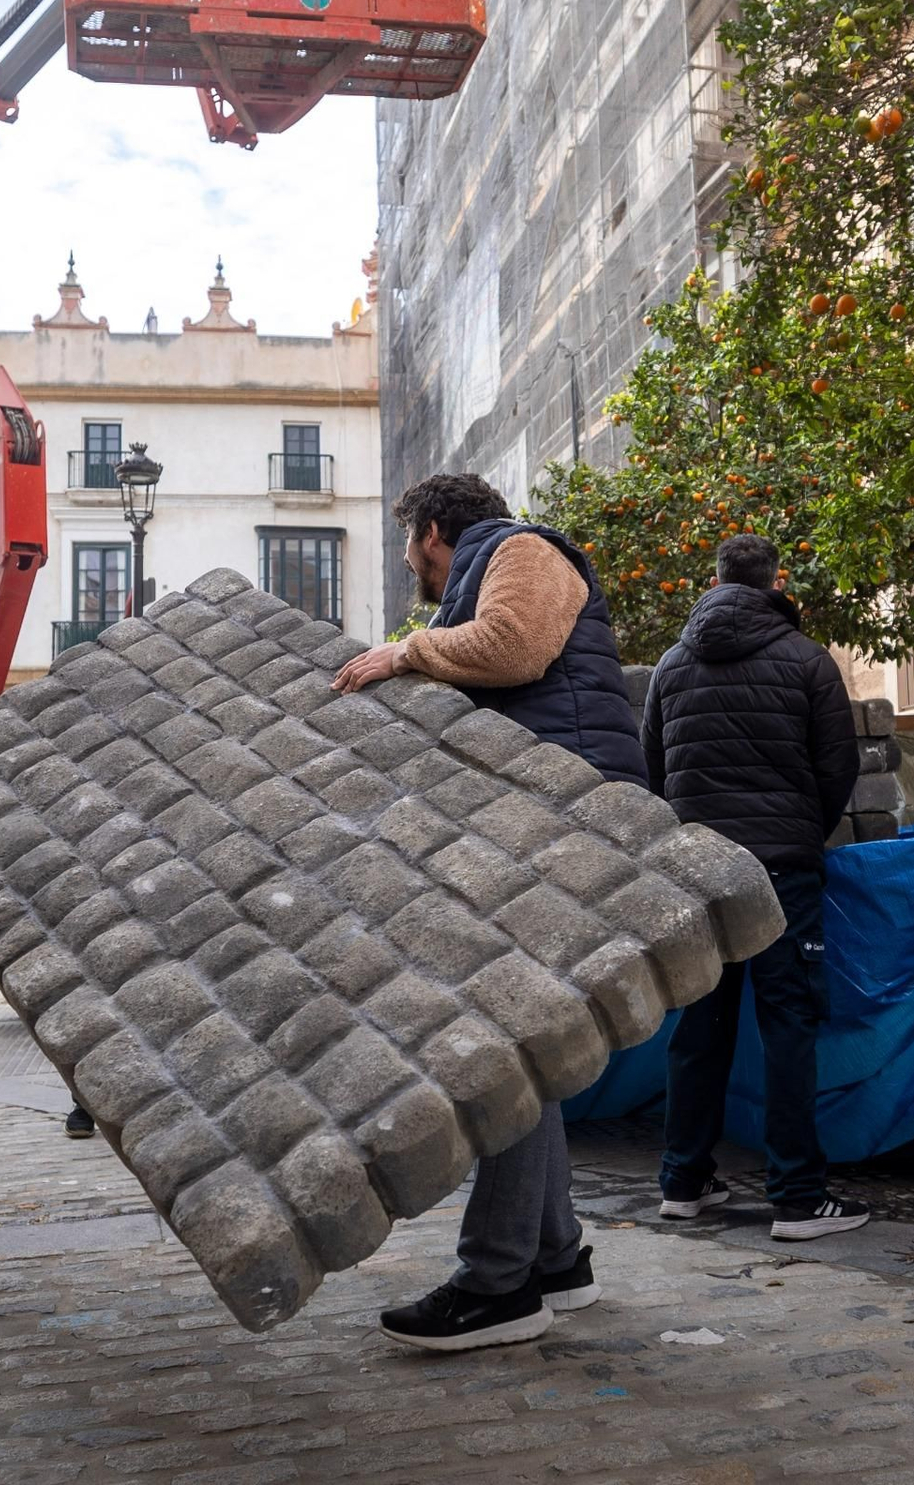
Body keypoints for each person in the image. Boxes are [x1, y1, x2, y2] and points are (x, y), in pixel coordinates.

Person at [333, 470, 647, 1353]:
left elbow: (514, 646)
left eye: (409, 547)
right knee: (527, 1046)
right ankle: (553, 1257)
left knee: (507, 1045)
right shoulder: (479, 575)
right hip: (541, 820)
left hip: (567, 817)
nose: (409, 566)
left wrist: (406, 653)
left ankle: (496, 1279)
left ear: (436, 528)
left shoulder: (522, 548)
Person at [641, 534, 868, 1242]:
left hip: (699, 868)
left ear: (712, 580)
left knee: (700, 1026)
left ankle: (684, 1181)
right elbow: (838, 767)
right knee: (788, 1024)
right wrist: (801, 831)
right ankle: (798, 1197)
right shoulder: (808, 662)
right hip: (781, 869)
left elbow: (655, 771)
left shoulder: (671, 668)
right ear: (776, 582)